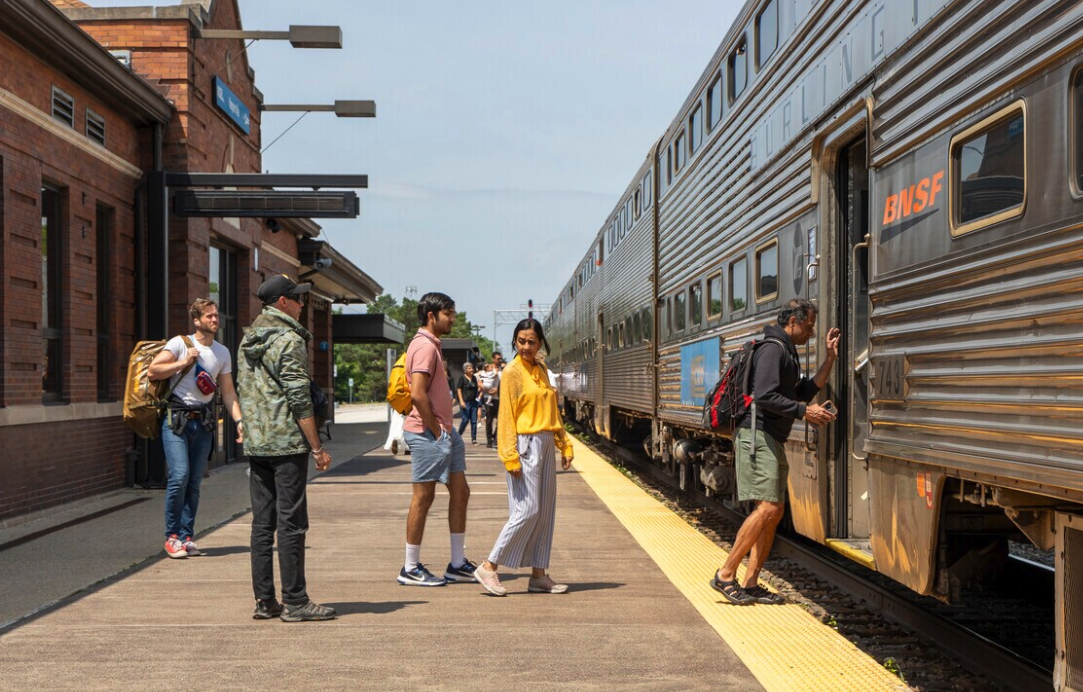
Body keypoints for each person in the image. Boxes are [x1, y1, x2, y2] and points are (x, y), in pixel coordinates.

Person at [710, 298, 840, 605]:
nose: (811, 332)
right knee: (767, 508)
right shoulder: (773, 349)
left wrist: (830, 359)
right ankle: (725, 574)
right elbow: (765, 396)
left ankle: (751, 582)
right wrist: (804, 412)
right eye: (808, 326)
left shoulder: (787, 351)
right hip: (757, 435)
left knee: (774, 511)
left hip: (770, 437)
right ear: (792, 322)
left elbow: (803, 391)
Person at [237, 275, 336, 622]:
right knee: (292, 523)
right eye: (297, 298)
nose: (302, 303)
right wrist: (316, 447)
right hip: (287, 443)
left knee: (262, 523)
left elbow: (244, 392)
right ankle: (295, 601)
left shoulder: (248, 339)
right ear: (282, 302)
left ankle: (265, 601)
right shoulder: (289, 339)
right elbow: (298, 396)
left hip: (258, 442)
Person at [475, 318, 573, 597]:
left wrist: (564, 444)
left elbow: (552, 412)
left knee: (544, 513)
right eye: (521, 341)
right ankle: (489, 565)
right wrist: (509, 457)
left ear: (540, 342)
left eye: (531, 341)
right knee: (526, 510)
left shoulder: (541, 369)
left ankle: (539, 575)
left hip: (544, 443)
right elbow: (506, 415)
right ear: (514, 342)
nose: (526, 346)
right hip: (525, 444)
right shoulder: (512, 372)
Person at [148, 298, 243, 560]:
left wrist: (239, 421)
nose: (215, 320)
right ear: (197, 320)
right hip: (176, 419)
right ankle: (172, 537)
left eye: (216, 316)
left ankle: (187, 536)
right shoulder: (180, 343)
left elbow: (228, 392)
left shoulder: (222, 353)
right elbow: (153, 371)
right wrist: (182, 363)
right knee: (179, 475)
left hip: (203, 422)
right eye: (209, 316)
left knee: (194, 482)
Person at [399, 292, 476, 586]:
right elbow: (417, 393)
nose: (453, 319)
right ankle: (409, 567)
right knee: (423, 497)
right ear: (432, 316)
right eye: (449, 314)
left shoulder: (432, 345)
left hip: (444, 433)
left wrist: (445, 432)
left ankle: (457, 564)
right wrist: (435, 431)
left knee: (461, 491)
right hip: (427, 433)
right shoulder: (424, 347)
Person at [456, 362, 480, 444]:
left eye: (472, 367)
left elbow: (476, 388)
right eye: (469, 368)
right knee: (465, 420)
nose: (472, 369)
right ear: (465, 370)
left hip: (474, 402)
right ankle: (458, 435)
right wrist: (461, 401)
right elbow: (459, 389)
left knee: (474, 421)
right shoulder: (462, 378)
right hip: (465, 402)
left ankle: (474, 439)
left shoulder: (474, 378)